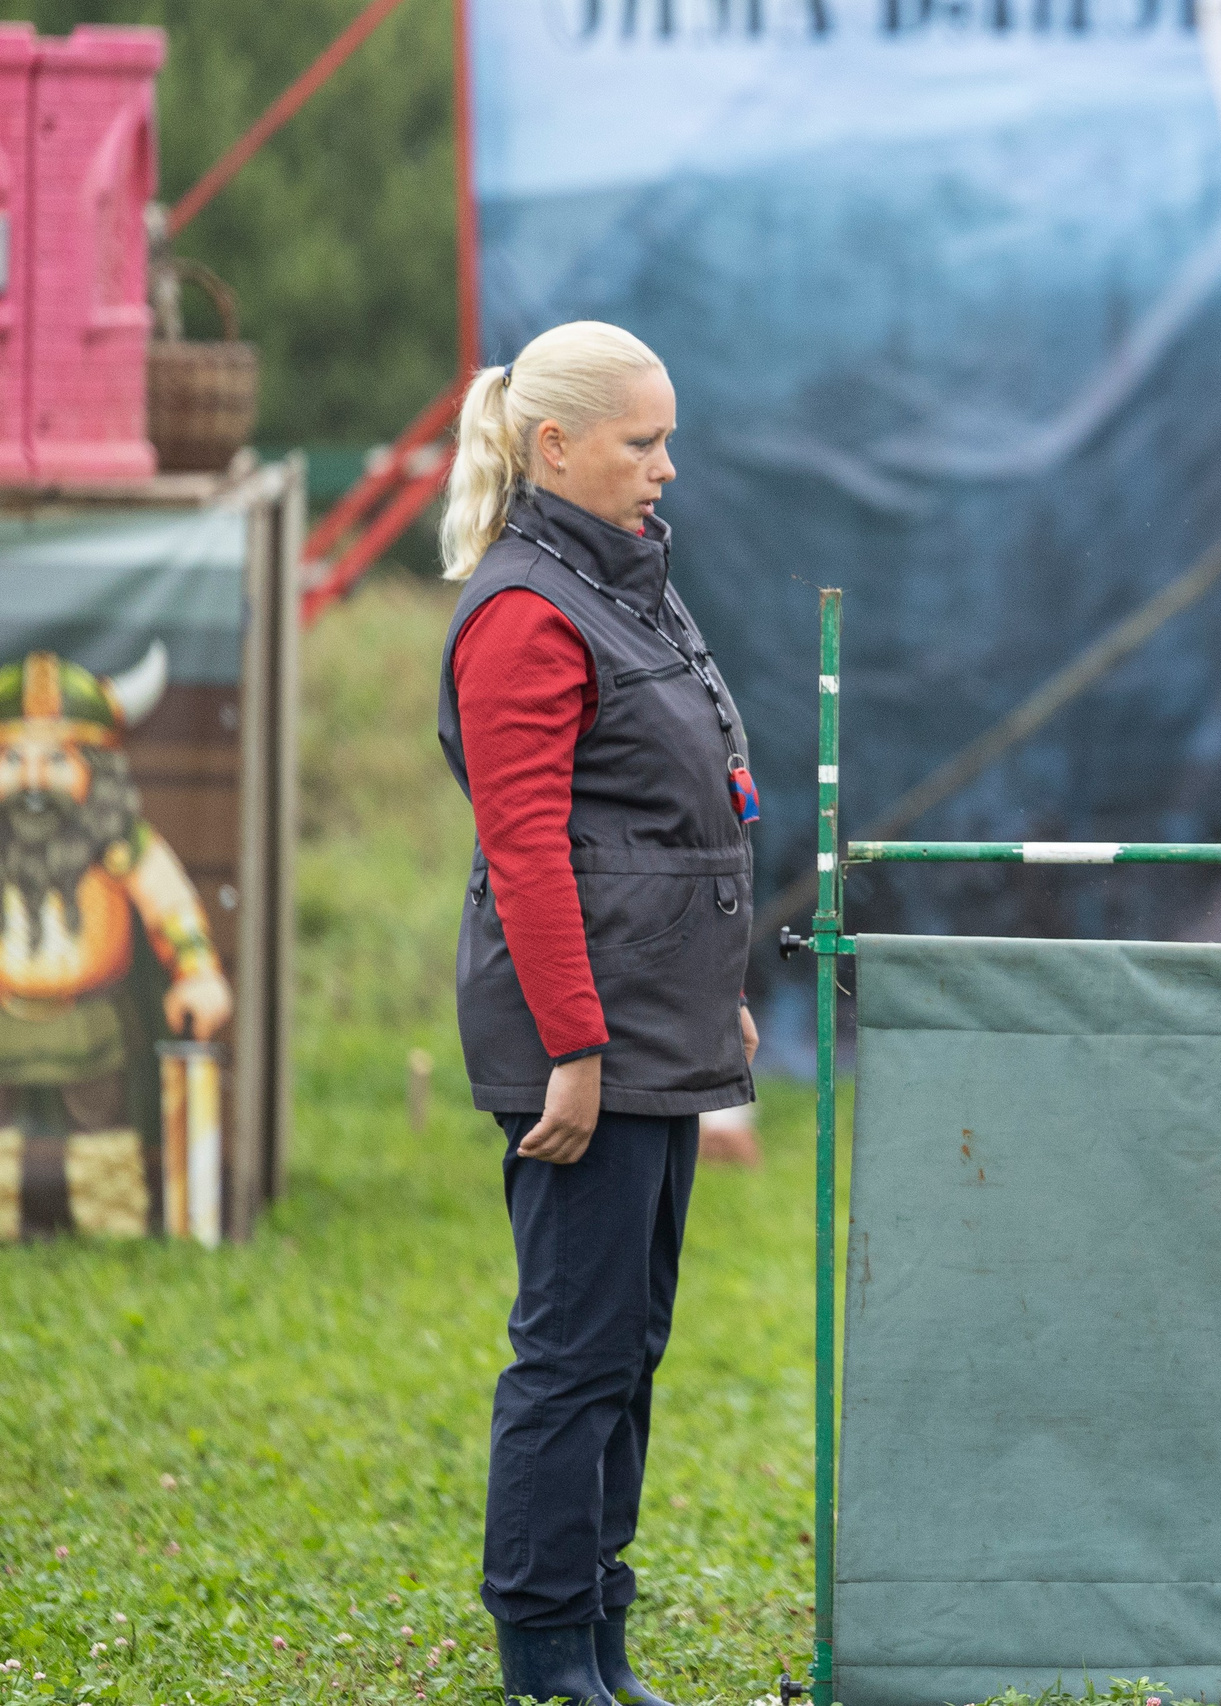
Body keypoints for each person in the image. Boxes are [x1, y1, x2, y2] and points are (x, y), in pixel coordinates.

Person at [435, 320, 758, 1706]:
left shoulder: (630, 586)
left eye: (667, 438)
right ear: (553, 447)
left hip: (653, 1026)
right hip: (582, 1042)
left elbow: (680, 821)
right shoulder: (523, 613)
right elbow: (529, 854)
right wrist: (573, 1049)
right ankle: (545, 1648)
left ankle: (601, 1633)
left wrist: (722, 1002)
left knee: (630, 1342)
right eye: (642, 443)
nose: (665, 468)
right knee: (572, 1355)